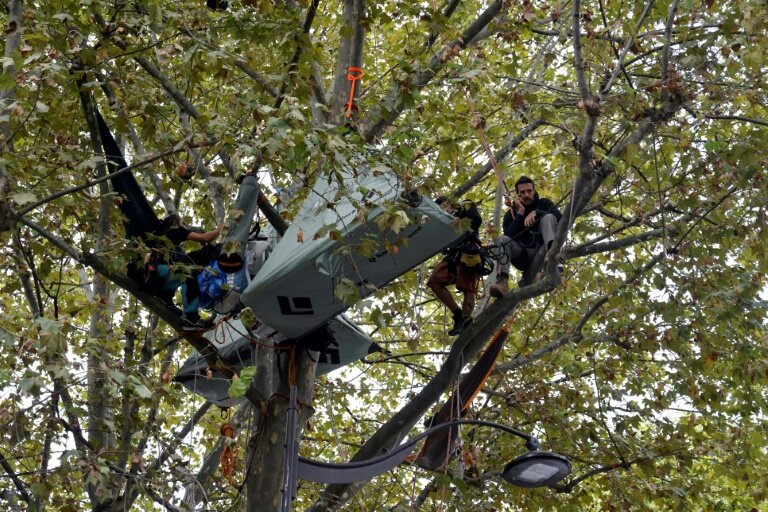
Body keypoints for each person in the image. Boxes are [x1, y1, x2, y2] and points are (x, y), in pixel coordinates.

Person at [147, 214, 224, 330]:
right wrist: (221, 229)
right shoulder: (174, 230)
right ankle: (191, 317)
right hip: (159, 272)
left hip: (157, 277)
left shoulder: (161, 236)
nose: (185, 227)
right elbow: (205, 238)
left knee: (191, 259)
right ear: (176, 223)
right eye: (183, 223)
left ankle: (166, 297)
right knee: (189, 273)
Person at [489, 176, 561, 297]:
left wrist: (537, 212)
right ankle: (502, 281)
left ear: (534, 191)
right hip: (522, 256)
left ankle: (552, 258)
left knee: (549, 217)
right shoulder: (511, 214)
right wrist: (520, 213)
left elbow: (560, 217)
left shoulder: (544, 203)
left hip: (542, 247)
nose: (526, 194)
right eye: (522, 192)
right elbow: (508, 238)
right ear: (517, 195)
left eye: (529, 191)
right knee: (502, 239)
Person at [427, 196, 485, 336]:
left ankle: (465, 320)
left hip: (469, 251)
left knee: (468, 287)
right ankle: (458, 315)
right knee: (434, 281)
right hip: (453, 255)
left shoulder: (465, 205)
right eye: (441, 208)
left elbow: (476, 220)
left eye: (445, 205)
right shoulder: (441, 221)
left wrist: (456, 218)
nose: (444, 208)